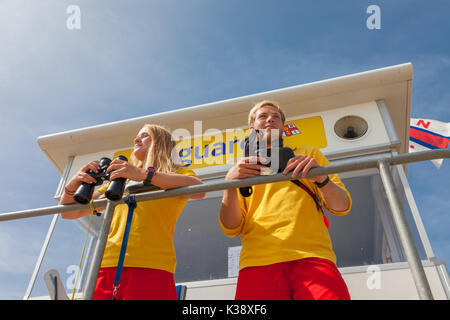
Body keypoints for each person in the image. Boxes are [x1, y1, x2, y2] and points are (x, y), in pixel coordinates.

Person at [219, 100, 352, 300]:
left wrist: (320, 177)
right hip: (257, 261)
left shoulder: (309, 155)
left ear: (283, 126)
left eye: (276, 116)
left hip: (313, 256)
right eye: (263, 116)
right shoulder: (241, 169)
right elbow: (231, 228)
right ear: (252, 127)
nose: (270, 119)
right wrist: (229, 184)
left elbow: (342, 206)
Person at [60, 124, 205, 300]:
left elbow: (199, 190)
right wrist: (73, 184)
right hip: (106, 264)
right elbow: (68, 213)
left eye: (145, 136)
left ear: (160, 143)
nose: (136, 140)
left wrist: (144, 175)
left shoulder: (176, 172)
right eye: (137, 137)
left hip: (152, 266)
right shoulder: (120, 180)